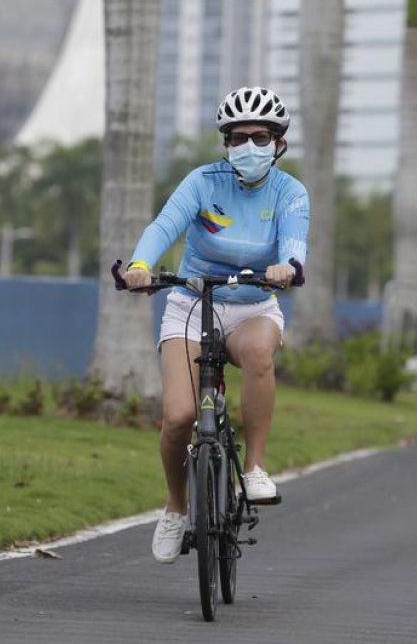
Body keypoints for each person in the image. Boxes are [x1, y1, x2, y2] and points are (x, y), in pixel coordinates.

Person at [122, 87, 310, 564]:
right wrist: (142, 264)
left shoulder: (290, 192)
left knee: (259, 355)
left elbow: (294, 240)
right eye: (238, 137)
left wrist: (288, 265)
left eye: (261, 137)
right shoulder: (202, 182)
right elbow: (165, 225)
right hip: (191, 299)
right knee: (181, 418)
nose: (250, 146)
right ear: (225, 144)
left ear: (279, 143)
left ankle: (255, 468)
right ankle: (176, 507)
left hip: (252, 306)